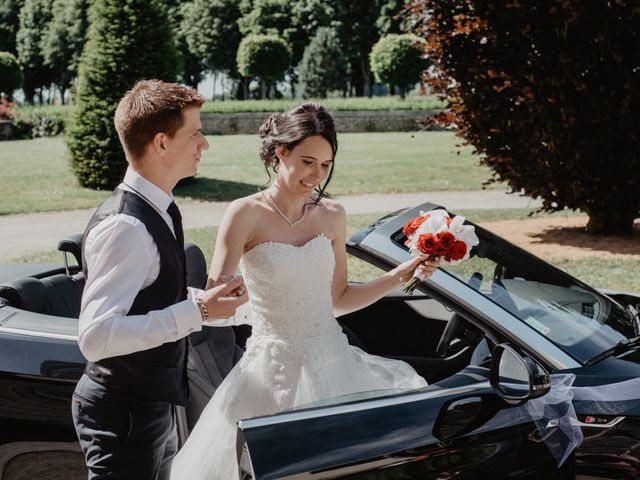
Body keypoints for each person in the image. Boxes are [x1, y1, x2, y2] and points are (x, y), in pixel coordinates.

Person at [170, 103, 439, 480]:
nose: (317, 174)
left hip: (333, 365)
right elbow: (217, 302)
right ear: (281, 153)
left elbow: (339, 300)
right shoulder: (244, 213)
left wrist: (401, 275)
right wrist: (233, 296)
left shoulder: (332, 215)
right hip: (270, 373)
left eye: (326, 165)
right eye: (308, 162)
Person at [71, 79, 248, 480]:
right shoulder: (126, 227)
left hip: (152, 403)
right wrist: (197, 309)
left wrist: (209, 302)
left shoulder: (159, 209)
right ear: (162, 143)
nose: (205, 145)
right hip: (124, 413)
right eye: (196, 134)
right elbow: (96, 337)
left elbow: (148, 296)